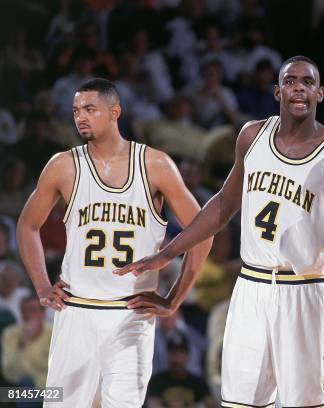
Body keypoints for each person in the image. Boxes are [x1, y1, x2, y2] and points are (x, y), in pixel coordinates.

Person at [115, 56, 324, 408]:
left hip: (306, 290)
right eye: (291, 80)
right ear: (277, 91)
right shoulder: (252, 135)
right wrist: (168, 252)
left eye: (308, 81)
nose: (299, 86)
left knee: (309, 403)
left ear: (321, 93)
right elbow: (224, 204)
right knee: (240, 401)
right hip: (250, 286)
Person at [16, 78, 212, 407]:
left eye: (90, 109)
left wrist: (175, 297)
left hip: (130, 314)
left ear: (114, 112)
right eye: (76, 110)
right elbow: (27, 226)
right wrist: (40, 285)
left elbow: (203, 229)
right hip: (76, 311)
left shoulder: (155, 164)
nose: (80, 117)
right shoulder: (63, 165)